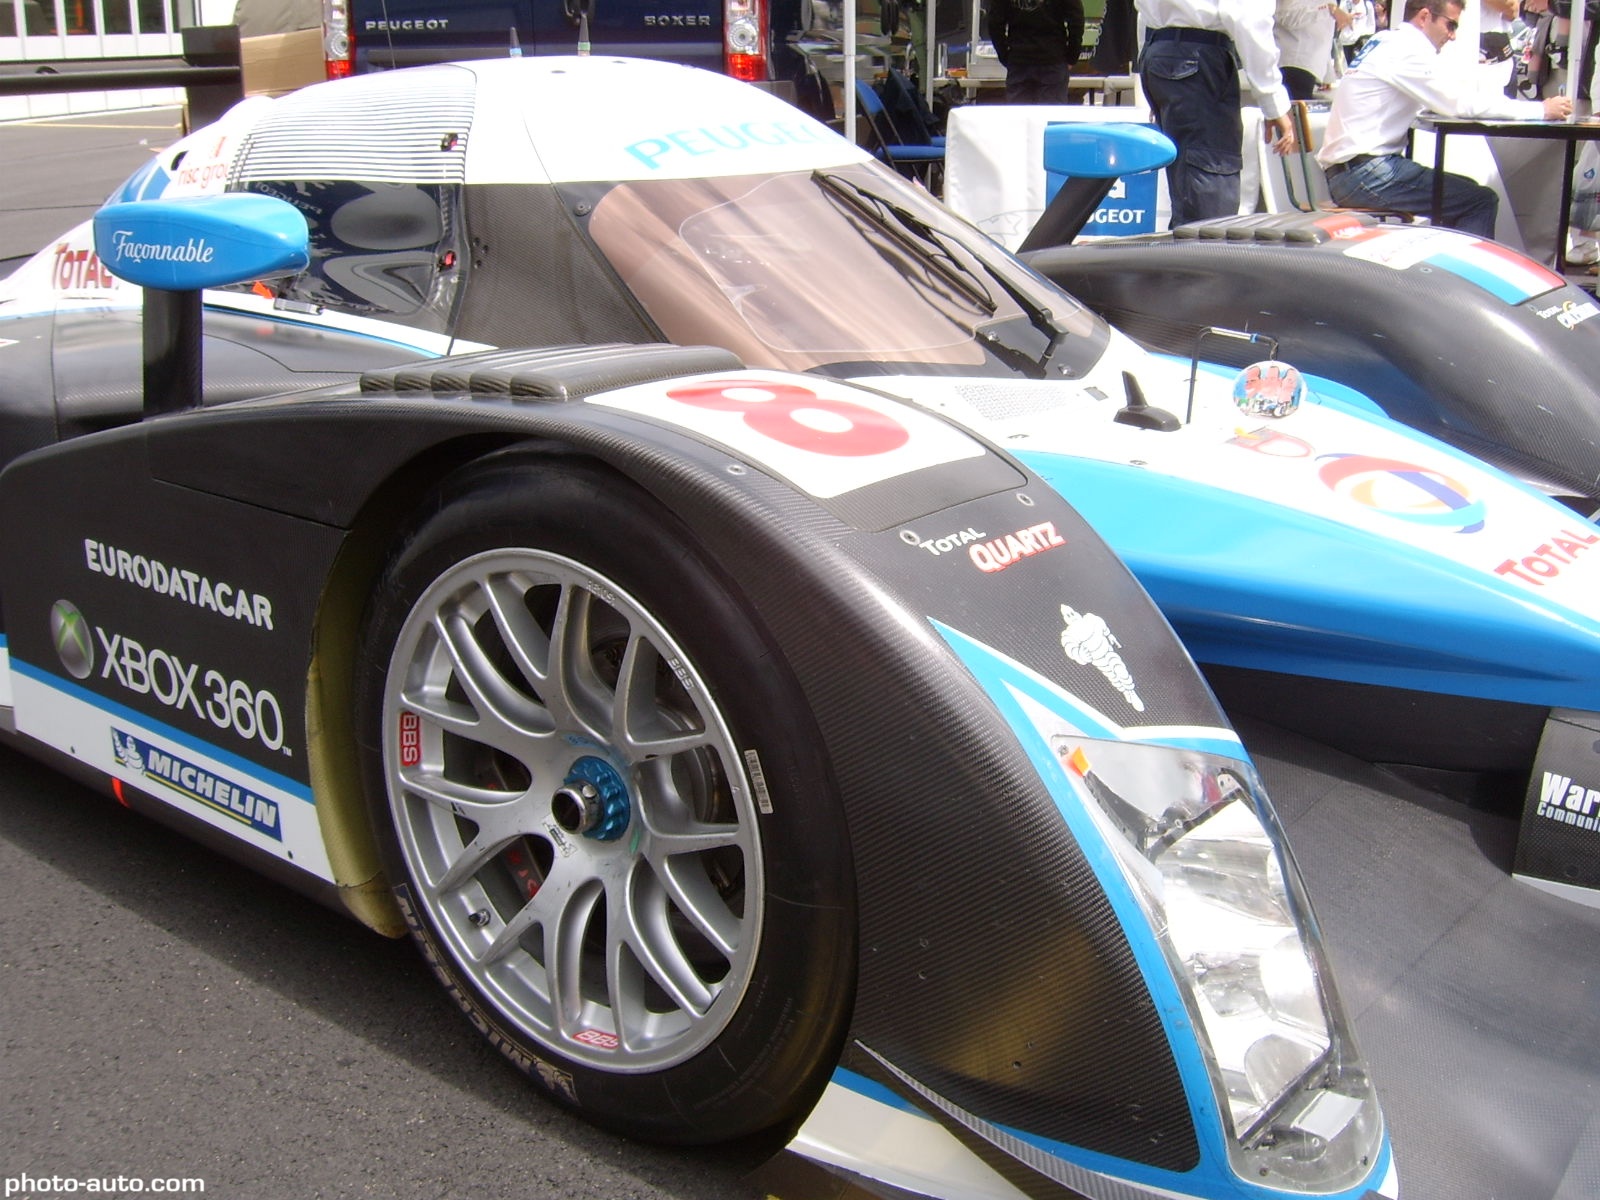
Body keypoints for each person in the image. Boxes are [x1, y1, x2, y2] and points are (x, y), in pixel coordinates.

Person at [1318, 0, 1570, 236]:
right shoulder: (1406, 49)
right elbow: (1461, 103)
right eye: (1450, 25)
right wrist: (1540, 110)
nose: (1453, 35)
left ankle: (1445, 273)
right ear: (1425, 16)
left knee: (1464, 193)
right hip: (1366, 174)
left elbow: (1448, 101)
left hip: (1355, 171)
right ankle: (1462, 282)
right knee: (1479, 201)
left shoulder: (1386, 41)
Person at [1135, 2, 1298, 226]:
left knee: (1191, 188)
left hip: (1161, 49)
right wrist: (1272, 99)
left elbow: (1146, 16)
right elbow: (1247, 16)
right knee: (1210, 191)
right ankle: (1198, 257)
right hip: (1197, 55)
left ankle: (1187, 255)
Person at [990, 0, 1087, 104]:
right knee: (1050, 116)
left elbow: (995, 23)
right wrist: (1072, 56)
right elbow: (1076, 20)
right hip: (1053, 59)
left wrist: (1005, 56)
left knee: (1021, 117)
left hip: (1019, 60)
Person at [1277, 0, 1338, 99]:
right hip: (1293, 64)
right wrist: (1328, 9)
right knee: (1292, 111)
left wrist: (1327, 74)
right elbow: (1285, 16)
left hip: (1311, 68)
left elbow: (1323, 34)